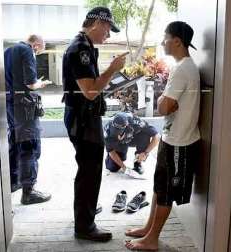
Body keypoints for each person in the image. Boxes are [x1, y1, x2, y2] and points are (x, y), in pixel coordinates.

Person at [125, 21, 201, 250]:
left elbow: (164, 107)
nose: (162, 42)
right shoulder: (181, 66)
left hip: (181, 142)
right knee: (159, 187)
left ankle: (152, 240)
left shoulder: (182, 69)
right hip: (170, 137)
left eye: (165, 37)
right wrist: (164, 102)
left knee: (167, 192)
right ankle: (149, 229)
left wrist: (161, 101)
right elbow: (168, 105)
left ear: (177, 41)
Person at [62, 7, 128, 242]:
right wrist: (112, 70)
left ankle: (85, 212)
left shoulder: (85, 45)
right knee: (89, 172)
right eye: (108, 29)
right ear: (98, 23)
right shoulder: (80, 48)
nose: (108, 35)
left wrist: (110, 79)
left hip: (85, 117)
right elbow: (90, 92)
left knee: (88, 170)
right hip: (83, 120)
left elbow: (90, 87)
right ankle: (84, 226)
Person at [4, 34, 52, 205]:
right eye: (40, 50)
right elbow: (31, 84)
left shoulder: (8, 50)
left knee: (15, 142)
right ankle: (28, 191)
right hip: (24, 106)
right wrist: (41, 84)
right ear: (37, 45)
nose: (37, 53)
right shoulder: (27, 50)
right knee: (30, 145)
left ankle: (12, 182)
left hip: (10, 104)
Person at [104, 112, 159, 176]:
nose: (117, 133)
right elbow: (111, 151)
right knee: (112, 168)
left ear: (127, 125)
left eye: (119, 131)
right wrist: (124, 168)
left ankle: (138, 163)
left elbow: (156, 136)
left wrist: (146, 152)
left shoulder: (135, 122)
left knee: (145, 134)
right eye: (115, 131)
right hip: (119, 143)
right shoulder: (107, 130)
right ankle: (113, 158)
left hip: (132, 138)